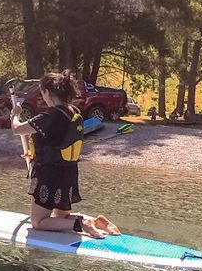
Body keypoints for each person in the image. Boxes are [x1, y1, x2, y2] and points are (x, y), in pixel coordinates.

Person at [11, 70, 120, 239]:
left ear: (48, 92)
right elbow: (58, 141)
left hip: (49, 175)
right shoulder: (74, 112)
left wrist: (14, 115)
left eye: (42, 92)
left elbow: (17, 129)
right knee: (60, 218)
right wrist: (33, 154)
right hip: (68, 174)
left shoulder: (51, 115)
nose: (42, 96)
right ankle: (96, 221)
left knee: (39, 222)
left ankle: (80, 224)